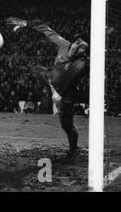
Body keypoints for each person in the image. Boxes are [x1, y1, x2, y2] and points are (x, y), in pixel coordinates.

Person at [6, 17, 89, 163]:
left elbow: (70, 81)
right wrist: (25, 24)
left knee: (66, 125)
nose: (79, 48)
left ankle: (74, 149)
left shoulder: (81, 64)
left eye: (83, 47)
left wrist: (59, 95)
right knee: (34, 69)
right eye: (78, 44)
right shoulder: (63, 44)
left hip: (66, 94)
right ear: (73, 42)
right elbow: (45, 29)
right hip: (52, 79)